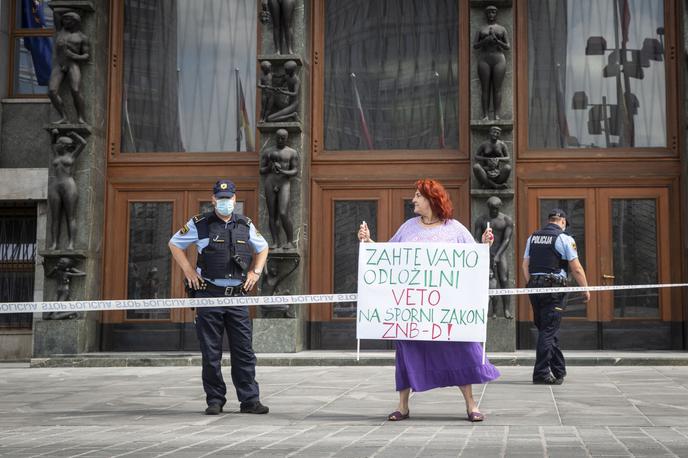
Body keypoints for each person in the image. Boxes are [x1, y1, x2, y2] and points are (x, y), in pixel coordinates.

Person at [357, 179, 500, 422]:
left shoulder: (454, 229)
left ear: (432, 200)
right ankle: (402, 406)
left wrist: (485, 244)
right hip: (412, 309)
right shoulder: (408, 227)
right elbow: (387, 254)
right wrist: (368, 241)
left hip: (445, 311)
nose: (413, 200)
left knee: (462, 349)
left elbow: (473, 257)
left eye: (417, 196)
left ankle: (471, 404)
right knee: (407, 352)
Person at [169, 179, 269, 415]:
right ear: (213, 199)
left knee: (243, 351)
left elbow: (263, 247)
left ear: (235, 200)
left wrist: (255, 272)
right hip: (209, 295)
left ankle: (250, 400)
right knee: (211, 352)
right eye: (220, 199)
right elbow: (174, 244)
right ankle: (215, 400)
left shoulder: (245, 224)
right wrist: (189, 270)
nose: (225, 202)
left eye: (229, 198)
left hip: (237, 298)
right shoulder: (199, 224)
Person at [522, 208, 590, 385]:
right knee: (548, 330)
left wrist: (532, 284)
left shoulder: (533, 237)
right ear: (563, 222)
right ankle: (541, 374)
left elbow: (525, 266)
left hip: (535, 288)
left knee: (547, 329)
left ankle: (559, 370)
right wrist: (585, 288)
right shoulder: (564, 238)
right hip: (554, 289)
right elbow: (576, 268)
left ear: (549, 220)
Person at [473, 196, 514, 318]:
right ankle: (485, 309)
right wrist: (481, 249)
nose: (494, 211)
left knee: (504, 280)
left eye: (496, 209)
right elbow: (475, 237)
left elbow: (506, 240)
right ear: (488, 207)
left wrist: (498, 255)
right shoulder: (481, 220)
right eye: (492, 209)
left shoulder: (506, 220)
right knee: (484, 281)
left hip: (500, 252)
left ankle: (506, 309)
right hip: (485, 252)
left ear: (500, 207)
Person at [259, 129, 299, 249]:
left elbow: (295, 170)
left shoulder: (292, 152)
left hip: (284, 182)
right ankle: (275, 242)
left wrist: (282, 171)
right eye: (279, 138)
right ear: (275, 138)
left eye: (283, 138)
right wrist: (269, 167)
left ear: (287, 138)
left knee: (283, 212)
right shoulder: (268, 151)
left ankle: (290, 241)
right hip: (270, 181)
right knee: (272, 214)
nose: (281, 140)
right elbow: (261, 170)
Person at [49, 9, 90, 124]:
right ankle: (64, 117)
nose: (64, 21)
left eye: (67, 20)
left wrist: (74, 55)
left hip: (72, 64)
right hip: (59, 64)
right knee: (52, 91)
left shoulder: (82, 37)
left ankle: (81, 117)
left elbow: (86, 56)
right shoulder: (60, 30)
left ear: (75, 21)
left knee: (75, 90)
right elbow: (56, 12)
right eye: (64, 19)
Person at [48, 129, 87, 250]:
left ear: (64, 146)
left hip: (68, 185)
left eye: (59, 143)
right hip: (55, 185)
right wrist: (54, 135)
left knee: (71, 216)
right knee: (55, 218)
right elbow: (52, 144)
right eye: (57, 143)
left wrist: (74, 134)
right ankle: (54, 243)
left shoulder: (72, 155)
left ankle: (71, 243)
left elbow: (83, 143)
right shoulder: (56, 155)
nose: (57, 145)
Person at [473, 5, 509, 121]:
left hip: (498, 58)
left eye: (493, 12)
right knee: (485, 88)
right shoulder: (481, 29)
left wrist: (497, 41)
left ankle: (497, 114)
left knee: (497, 88)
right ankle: (485, 115)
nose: (491, 14)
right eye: (489, 12)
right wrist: (485, 40)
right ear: (486, 14)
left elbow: (507, 46)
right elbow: (475, 45)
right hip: (484, 58)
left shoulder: (502, 29)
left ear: (496, 14)